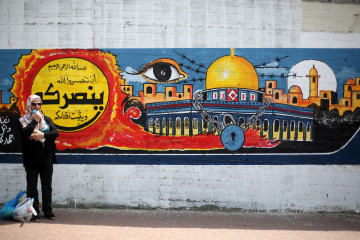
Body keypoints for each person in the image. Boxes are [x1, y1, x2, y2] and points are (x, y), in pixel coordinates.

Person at [19, 95, 59, 221]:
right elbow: (25, 134)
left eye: (39, 104)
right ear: (29, 105)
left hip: (46, 158)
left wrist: (42, 134)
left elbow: (55, 133)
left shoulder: (46, 119)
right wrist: (35, 121)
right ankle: (34, 212)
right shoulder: (23, 121)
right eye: (34, 104)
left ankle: (48, 211)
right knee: (32, 187)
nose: (37, 107)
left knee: (47, 186)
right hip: (31, 159)